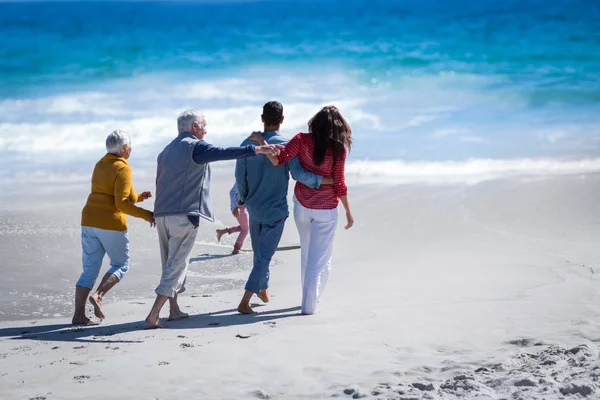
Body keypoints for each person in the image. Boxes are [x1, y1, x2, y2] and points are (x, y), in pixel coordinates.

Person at [145, 110, 279, 328]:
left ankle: (174, 309)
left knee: (171, 264)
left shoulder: (166, 150)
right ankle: (153, 314)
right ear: (194, 127)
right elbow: (222, 152)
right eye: (204, 126)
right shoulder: (195, 146)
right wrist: (257, 149)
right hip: (183, 215)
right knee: (177, 265)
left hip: (161, 214)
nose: (206, 130)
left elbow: (161, 181)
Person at [235, 101, 333, 314]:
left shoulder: (247, 143)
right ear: (282, 120)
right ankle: (244, 301)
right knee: (264, 256)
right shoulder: (286, 145)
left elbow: (239, 178)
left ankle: (264, 288)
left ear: (262, 119)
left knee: (260, 252)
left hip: (254, 207)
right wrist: (324, 180)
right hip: (275, 210)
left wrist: (243, 199)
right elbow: (298, 175)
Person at [255, 105, 354, 315]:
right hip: (326, 210)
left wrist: (262, 143)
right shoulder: (338, 149)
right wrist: (347, 211)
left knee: (307, 255)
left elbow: (278, 160)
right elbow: (339, 183)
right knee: (320, 260)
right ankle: (309, 305)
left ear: (314, 122)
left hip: (302, 206)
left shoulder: (301, 139)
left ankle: (308, 298)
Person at [73, 130, 155, 325]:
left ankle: (78, 315)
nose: (131, 148)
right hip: (110, 223)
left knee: (89, 270)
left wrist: (140, 197)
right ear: (124, 148)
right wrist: (147, 215)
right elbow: (121, 205)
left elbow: (113, 194)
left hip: (89, 220)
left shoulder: (100, 164)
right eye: (130, 145)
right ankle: (99, 295)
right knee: (120, 264)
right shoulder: (123, 168)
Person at [216, 184, 249, 255]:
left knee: (245, 227)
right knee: (245, 229)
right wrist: (235, 206)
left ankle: (222, 231)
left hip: (244, 207)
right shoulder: (243, 176)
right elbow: (232, 192)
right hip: (239, 207)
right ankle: (236, 249)